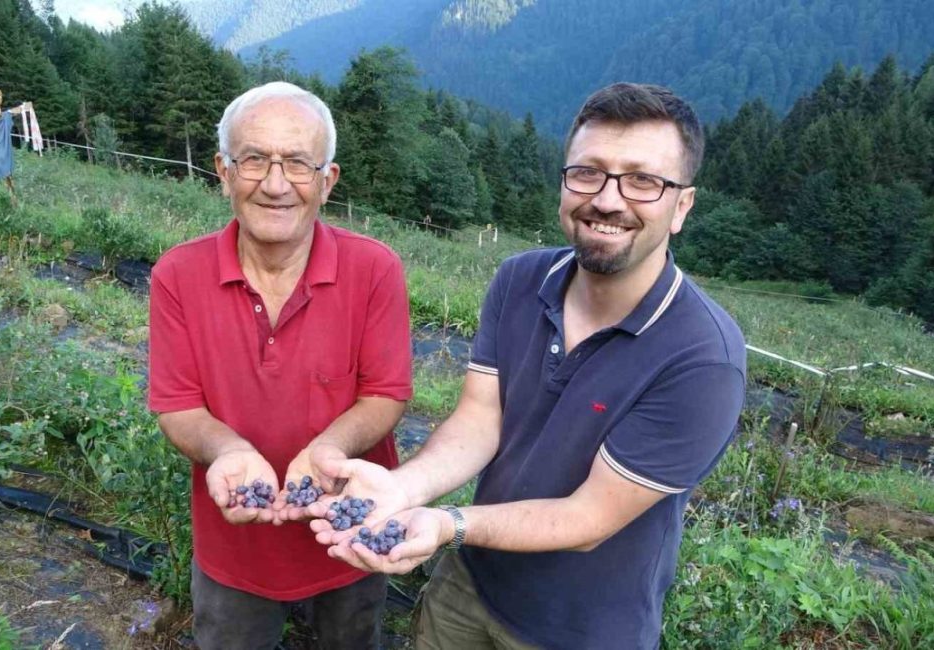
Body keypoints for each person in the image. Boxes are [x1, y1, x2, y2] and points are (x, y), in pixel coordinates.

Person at [310, 82, 746, 649]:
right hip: (469, 586)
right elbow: (479, 422)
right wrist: (401, 489)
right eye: (588, 172)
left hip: (579, 628)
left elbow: (588, 521)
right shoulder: (519, 280)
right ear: (565, 182)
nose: (608, 200)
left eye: (643, 180)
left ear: (681, 205)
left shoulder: (702, 357)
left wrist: (450, 525)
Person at [147, 81, 413, 649]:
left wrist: (325, 452)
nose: (274, 184)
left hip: (351, 528)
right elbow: (178, 405)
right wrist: (229, 450)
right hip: (234, 543)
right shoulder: (178, 274)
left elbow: (385, 393)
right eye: (253, 160)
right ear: (223, 172)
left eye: (296, 163)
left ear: (326, 181)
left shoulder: (375, 269)